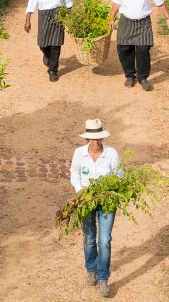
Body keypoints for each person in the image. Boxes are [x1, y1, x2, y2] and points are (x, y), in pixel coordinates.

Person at [70, 118, 122, 297]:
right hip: (86, 201)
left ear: (102, 138)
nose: (96, 142)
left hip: (107, 202)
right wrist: (80, 190)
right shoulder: (79, 153)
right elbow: (74, 172)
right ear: (87, 139)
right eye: (92, 139)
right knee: (89, 238)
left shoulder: (112, 154)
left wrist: (110, 188)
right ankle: (91, 269)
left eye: (98, 138)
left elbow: (119, 175)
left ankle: (103, 278)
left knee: (105, 241)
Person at [110, 0, 169, 91]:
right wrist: (111, 18)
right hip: (126, 21)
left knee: (143, 50)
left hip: (143, 22)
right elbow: (117, 3)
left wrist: (168, 18)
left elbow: (160, 2)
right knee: (123, 49)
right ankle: (130, 75)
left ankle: (143, 78)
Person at [24, 0, 73, 81]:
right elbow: (31, 2)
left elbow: (68, 3)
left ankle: (53, 70)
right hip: (44, 16)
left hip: (58, 15)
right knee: (42, 43)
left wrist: (69, 18)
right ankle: (47, 55)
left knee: (56, 44)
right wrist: (27, 20)